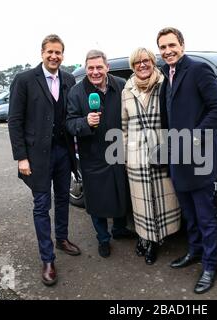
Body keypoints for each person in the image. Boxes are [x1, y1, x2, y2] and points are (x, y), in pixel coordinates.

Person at [156, 27, 217, 294]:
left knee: (206, 217)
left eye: (172, 45)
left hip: (199, 158)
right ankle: (195, 252)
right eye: (163, 47)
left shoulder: (198, 70)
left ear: (182, 46)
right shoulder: (167, 75)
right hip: (177, 159)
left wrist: (194, 136)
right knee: (189, 214)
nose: (167, 51)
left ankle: (210, 265)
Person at [8, 34, 81, 287]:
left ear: (63, 54)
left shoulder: (69, 79)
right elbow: (15, 121)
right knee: (41, 205)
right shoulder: (25, 80)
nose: (54, 56)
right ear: (42, 52)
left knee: (63, 199)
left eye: (58, 52)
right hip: (36, 157)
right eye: (50, 52)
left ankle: (62, 238)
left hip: (63, 153)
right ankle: (47, 259)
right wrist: (21, 157)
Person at [66, 50, 133, 258]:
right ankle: (103, 238)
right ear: (86, 69)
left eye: (99, 67)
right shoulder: (77, 93)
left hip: (118, 151)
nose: (95, 72)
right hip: (92, 155)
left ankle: (119, 229)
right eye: (91, 68)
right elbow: (69, 124)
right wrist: (85, 122)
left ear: (107, 67)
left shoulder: (121, 86)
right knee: (97, 201)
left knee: (121, 194)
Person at [121, 48, 181, 265]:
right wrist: (125, 156)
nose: (142, 65)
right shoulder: (126, 90)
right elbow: (124, 126)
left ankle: (156, 240)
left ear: (153, 62)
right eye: (137, 62)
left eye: (146, 60)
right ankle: (144, 237)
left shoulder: (165, 84)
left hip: (162, 152)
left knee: (162, 198)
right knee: (141, 202)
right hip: (136, 155)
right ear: (132, 65)